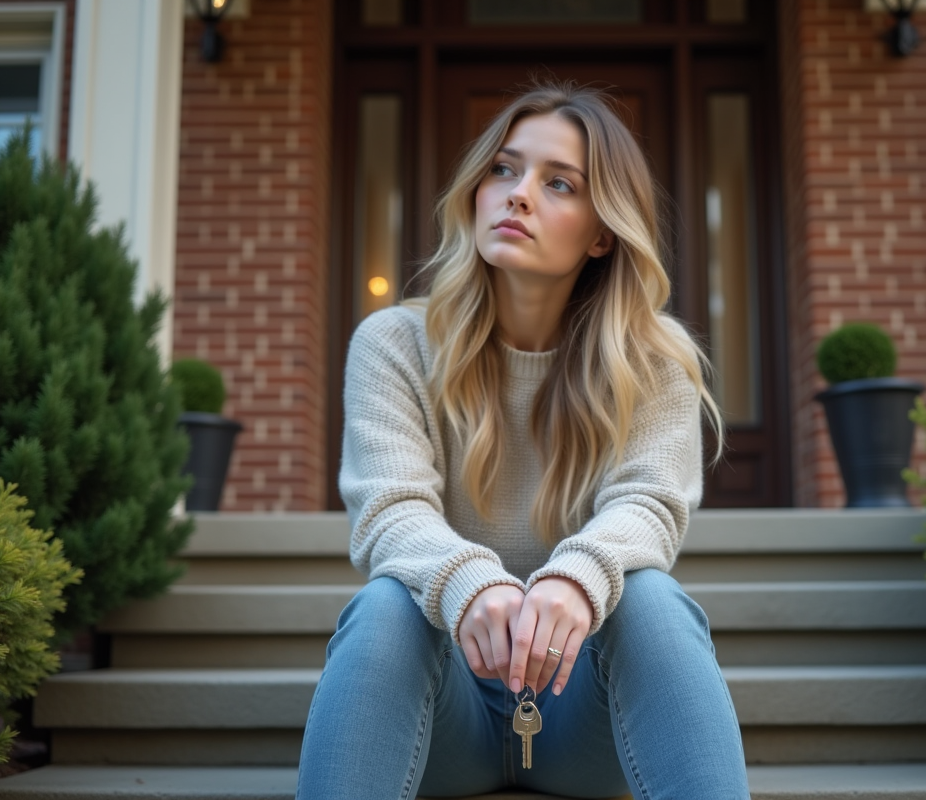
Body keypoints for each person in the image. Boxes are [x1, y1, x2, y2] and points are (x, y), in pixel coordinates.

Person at [296, 82, 751, 799]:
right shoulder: (394, 344)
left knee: (653, 600)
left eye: (558, 183)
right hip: (448, 715)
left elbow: (650, 505)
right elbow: (389, 510)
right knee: (385, 606)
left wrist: (576, 577)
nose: (517, 194)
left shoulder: (654, 360)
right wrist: (469, 584)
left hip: (586, 721)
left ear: (603, 233)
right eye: (503, 170)